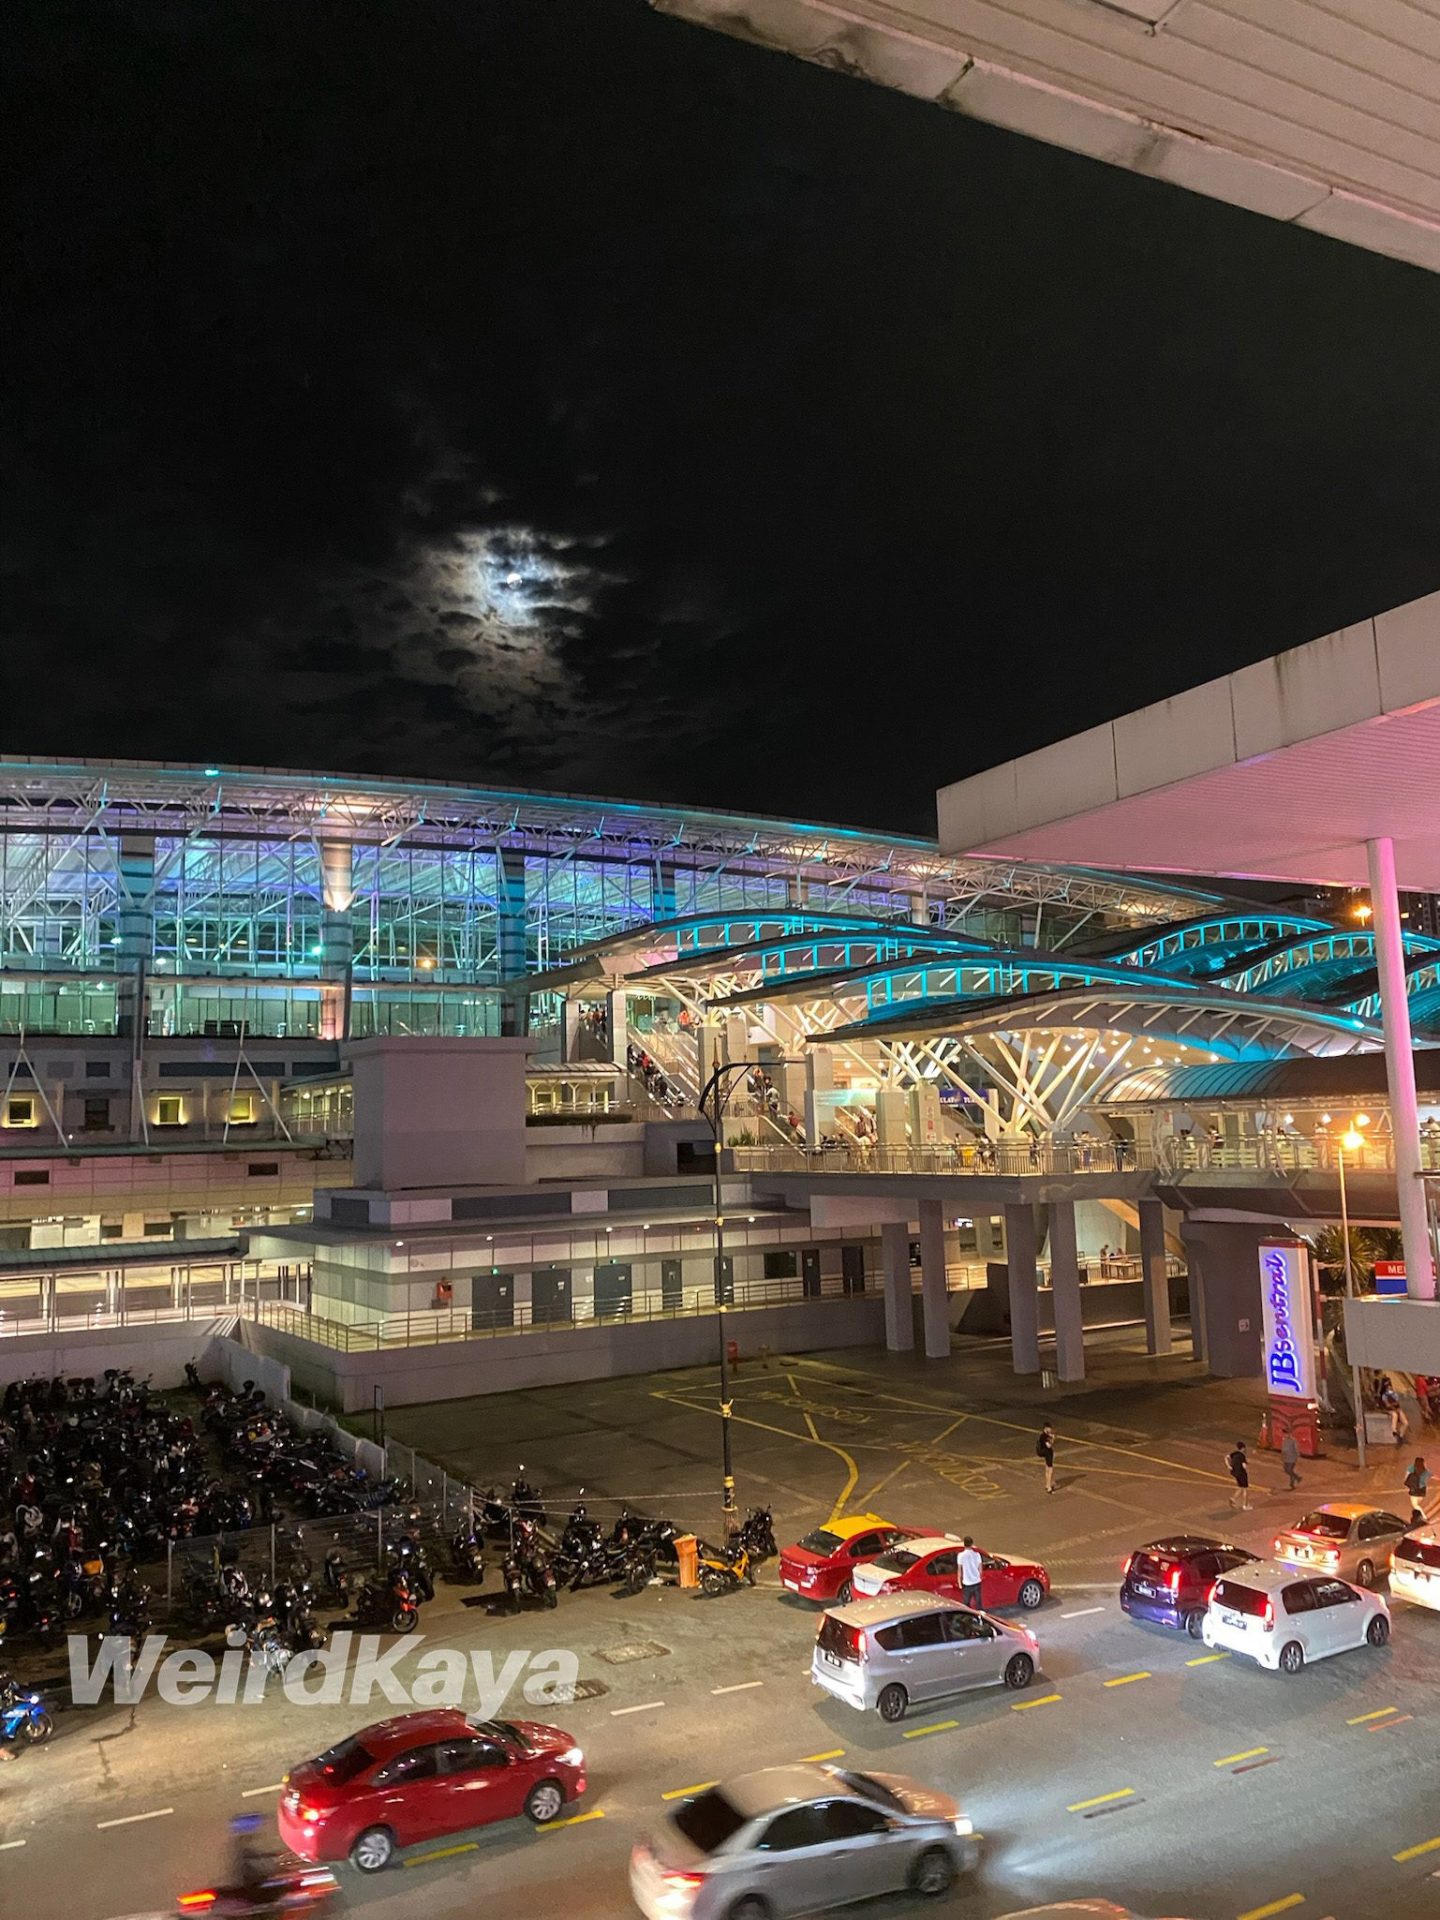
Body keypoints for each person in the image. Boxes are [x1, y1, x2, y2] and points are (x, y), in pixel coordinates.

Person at [959, 1535, 983, 1611]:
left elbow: (960, 1570)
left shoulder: (961, 1556)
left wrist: (959, 1583)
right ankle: (981, 1618)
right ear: (972, 1544)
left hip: (967, 1583)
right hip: (976, 1582)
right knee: (978, 1602)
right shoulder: (977, 1555)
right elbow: (980, 1569)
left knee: (966, 1603)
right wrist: (979, 1577)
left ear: (964, 1544)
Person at [1404, 1456, 1430, 1526]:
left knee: (1415, 1505)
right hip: (1422, 1491)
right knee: (1417, 1504)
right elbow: (1428, 1477)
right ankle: (1421, 1515)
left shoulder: (1411, 1468)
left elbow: (1406, 1476)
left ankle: (1424, 1516)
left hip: (1414, 1491)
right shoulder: (1424, 1470)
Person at [1226, 1439, 1251, 1510]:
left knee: (1240, 1487)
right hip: (1241, 1474)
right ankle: (1245, 1505)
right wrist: (1246, 1464)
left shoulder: (1234, 1453)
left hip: (1235, 1473)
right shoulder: (1242, 1456)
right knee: (1245, 1489)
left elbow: (1226, 1457)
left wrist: (1228, 1466)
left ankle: (1233, 1499)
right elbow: (1244, 1466)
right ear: (1243, 1448)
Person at [1036, 1422, 1056, 1494]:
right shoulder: (1044, 1437)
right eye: (1049, 1428)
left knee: (1047, 1469)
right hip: (1048, 1454)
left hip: (1046, 1454)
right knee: (1050, 1470)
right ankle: (1049, 1487)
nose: (1050, 1430)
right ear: (1046, 1428)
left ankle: (1047, 1484)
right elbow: (1049, 1446)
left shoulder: (1043, 1435)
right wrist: (1052, 1439)